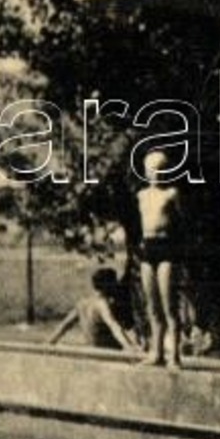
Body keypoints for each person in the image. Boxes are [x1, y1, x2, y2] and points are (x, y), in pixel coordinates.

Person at [136, 150, 187, 369]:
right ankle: (156, 352)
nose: (156, 174)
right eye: (152, 170)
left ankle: (173, 355)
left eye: (161, 170)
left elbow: (182, 222)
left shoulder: (172, 194)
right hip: (148, 249)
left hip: (167, 249)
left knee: (169, 306)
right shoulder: (142, 195)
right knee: (152, 306)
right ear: (146, 172)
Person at [49, 267, 140, 352]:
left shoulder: (82, 303)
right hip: (108, 350)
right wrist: (129, 347)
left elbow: (65, 325)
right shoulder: (102, 304)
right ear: (109, 285)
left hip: (91, 347)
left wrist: (50, 342)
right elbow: (114, 326)